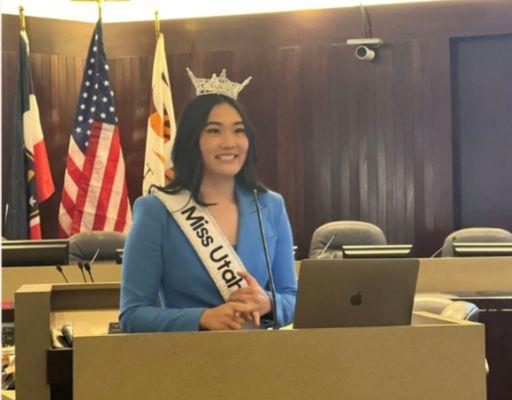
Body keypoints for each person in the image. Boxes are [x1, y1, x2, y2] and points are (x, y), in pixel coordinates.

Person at [119, 69, 297, 332]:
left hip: (261, 360)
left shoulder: (271, 206)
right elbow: (132, 316)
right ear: (192, 140)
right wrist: (201, 318)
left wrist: (268, 303)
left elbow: (292, 298)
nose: (229, 143)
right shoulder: (157, 211)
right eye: (214, 131)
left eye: (238, 131)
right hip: (190, 361)